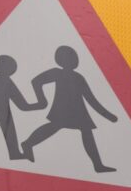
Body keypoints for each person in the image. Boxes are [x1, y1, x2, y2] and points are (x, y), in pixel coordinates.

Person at [21, 45, 118, 173]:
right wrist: (42, 99)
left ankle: (98, 165)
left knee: (85, 132)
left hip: (78, 111)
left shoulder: (78, 77)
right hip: (63, 108)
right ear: (61, 60)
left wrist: (107, 115)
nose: (74, 60)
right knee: (54, 127)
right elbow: (36, 81)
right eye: (70, 57)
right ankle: (28, 144)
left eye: (74, 57)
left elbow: (90, 98)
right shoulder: (57, 73)